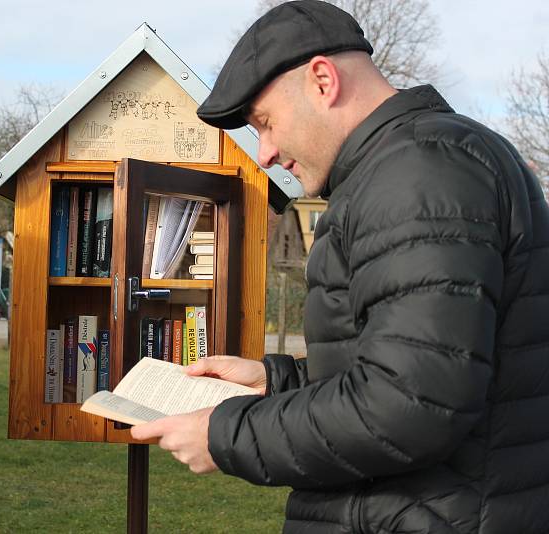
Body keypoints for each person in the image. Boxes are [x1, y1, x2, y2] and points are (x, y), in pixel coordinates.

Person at [131, 1, 549, 533]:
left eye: (266, 123)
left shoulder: (418, 175)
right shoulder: (408, 167)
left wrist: (224, 434)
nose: (265, 152)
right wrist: (274, 381)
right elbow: (421, 365)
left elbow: (411, 406)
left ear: (322, 80)